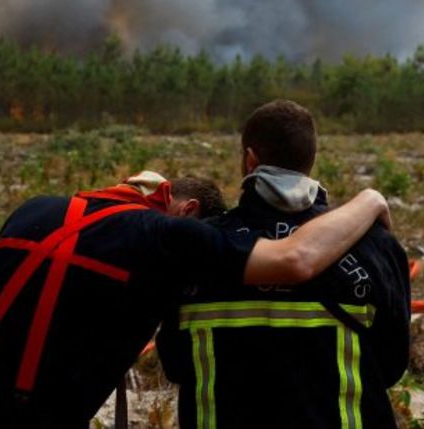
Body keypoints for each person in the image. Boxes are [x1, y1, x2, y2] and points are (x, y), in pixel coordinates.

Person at [0, 168, 391, 428]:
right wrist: (368, 201)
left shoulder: (34, 209)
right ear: (188, 212)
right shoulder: (163, 236)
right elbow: (296, 259)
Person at [156, 100, 411, 428]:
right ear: (311, 160)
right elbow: (390, 366)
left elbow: (175, 363)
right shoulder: (376, 245)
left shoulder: (198, 248)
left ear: (250, 159)